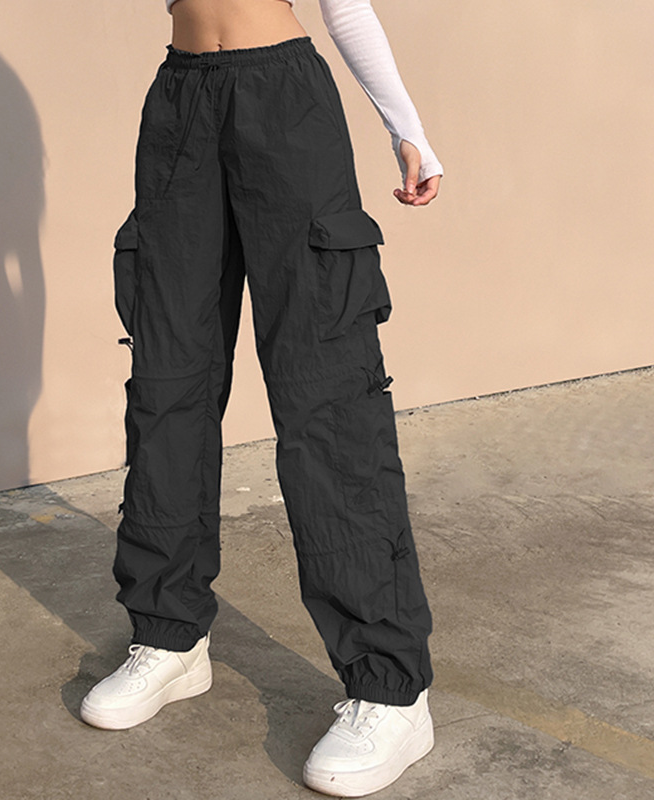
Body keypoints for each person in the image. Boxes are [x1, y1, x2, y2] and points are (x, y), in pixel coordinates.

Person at [80, 0, 443, 796]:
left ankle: (390, 689)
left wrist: (405, 125)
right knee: (168, 385)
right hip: (179, 104)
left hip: (284, 102)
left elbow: (345, 6)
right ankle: (169, 635)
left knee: (326, 397)